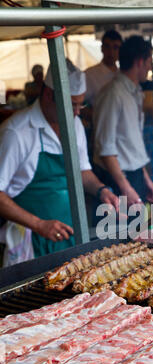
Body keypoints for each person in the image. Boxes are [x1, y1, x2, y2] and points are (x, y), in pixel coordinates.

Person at [0, 59, 119, 260]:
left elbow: (81, 171)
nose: (78, 112)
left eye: (82, 104)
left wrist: (101, 190)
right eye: (72, 104)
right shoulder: (16, 132)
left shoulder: (75, 124)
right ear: (48, 95)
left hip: (70, 231)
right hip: (30, 240)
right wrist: (39, 224)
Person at [93, 35, 153, 207]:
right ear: (139, 62)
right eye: (149, 62)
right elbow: (106, 148)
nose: (150, 67)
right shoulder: (113, 94)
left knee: (138, 231)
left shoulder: (134, 91)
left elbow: (132, 144)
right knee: (122, 232)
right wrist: (125, 187)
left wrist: (145, 178)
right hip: (118, 179)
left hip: (133, 175)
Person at [84, 30, 123, 108]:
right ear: (102, 48)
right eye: (107, 46)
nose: (111, 51)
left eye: (115, 47)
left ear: (121, 50)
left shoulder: (123, 74)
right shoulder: (89, 74)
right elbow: (79, 103)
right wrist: (94, 116)